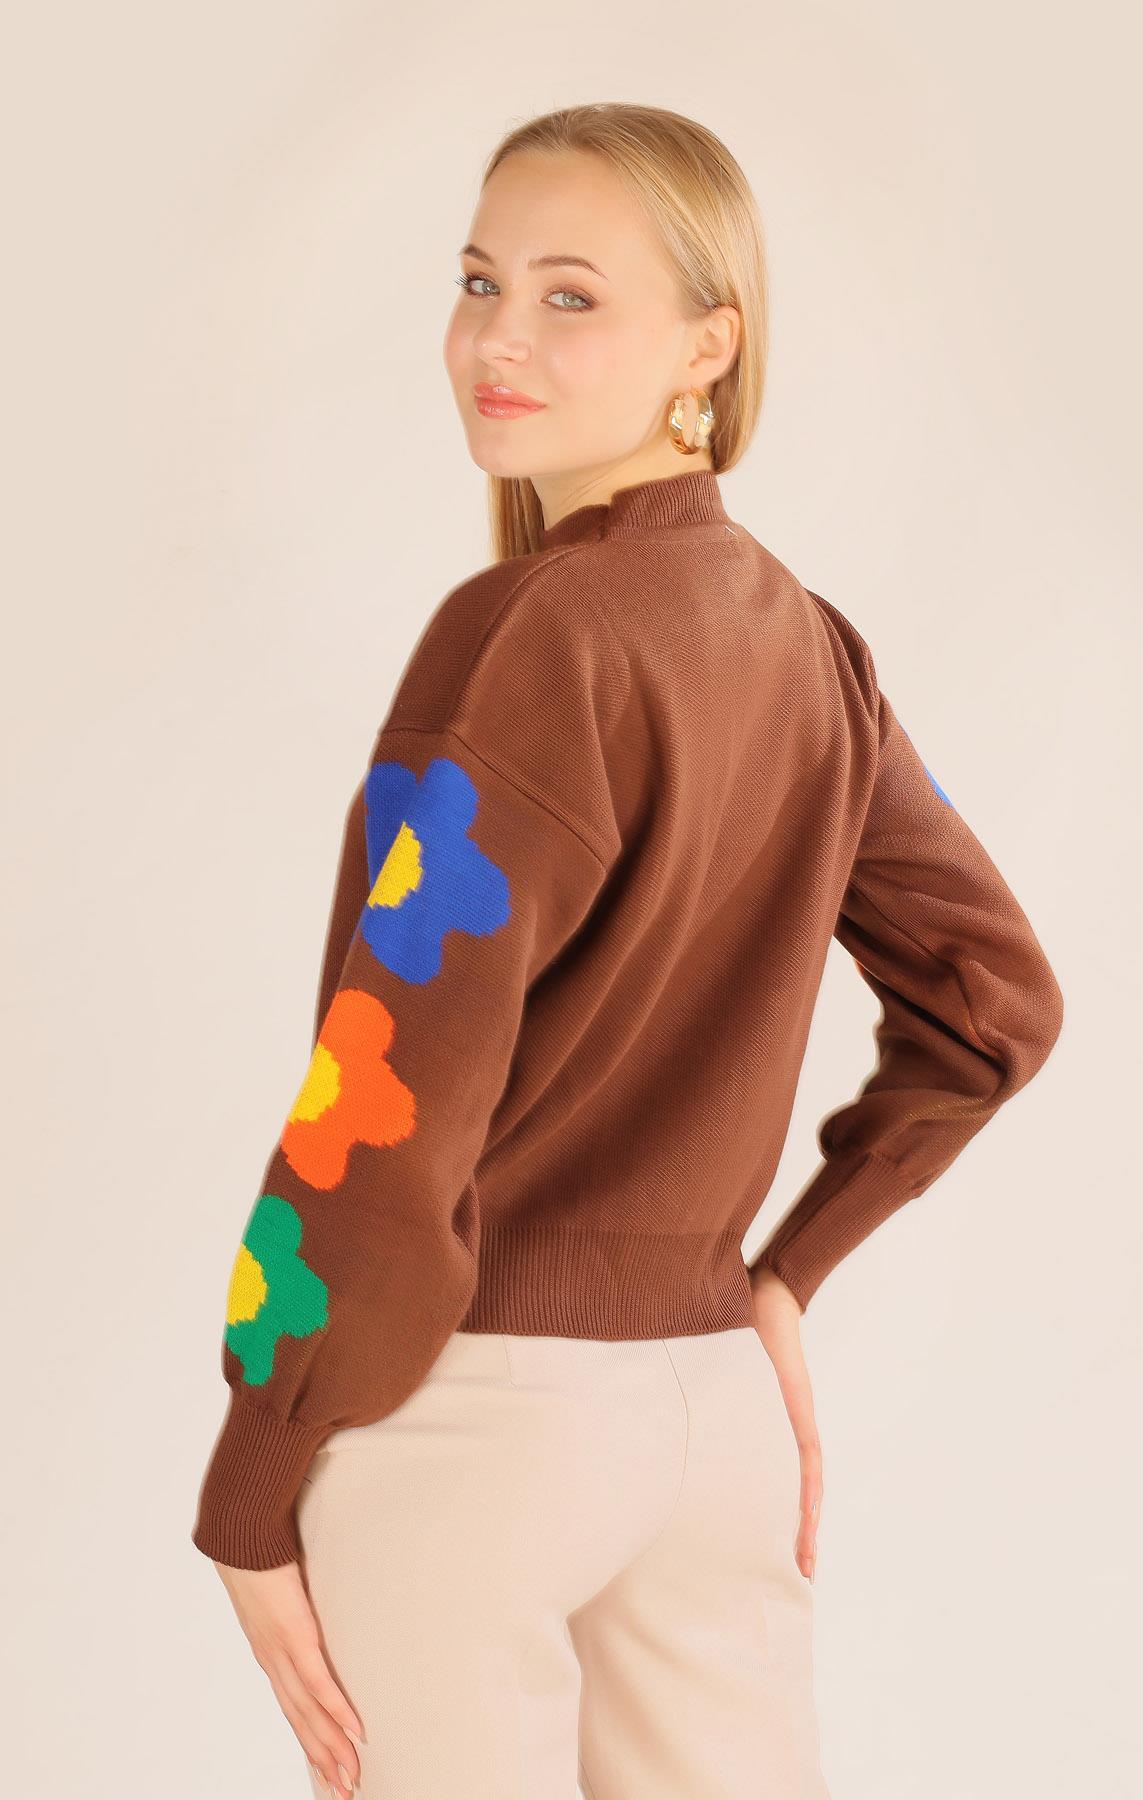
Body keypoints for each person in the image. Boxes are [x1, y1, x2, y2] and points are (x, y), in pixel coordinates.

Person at [191, 102, 1064, 1798]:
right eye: (479, 281)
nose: (496, 340)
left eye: (570, 296)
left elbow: (387, 1081)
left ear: (707, 349)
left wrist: (256, 1459)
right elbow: (998, 1002)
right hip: (713, 1430)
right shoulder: (812, 648)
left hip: (474, 1426)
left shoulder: (526, 634)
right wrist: (779, 1279)